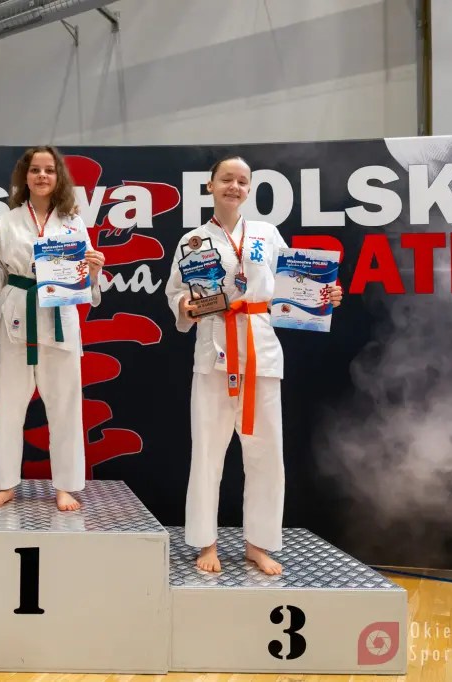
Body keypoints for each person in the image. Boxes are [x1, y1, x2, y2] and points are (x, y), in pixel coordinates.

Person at [165, 155, 343, 575]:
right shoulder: (193, 240)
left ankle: (258, 544)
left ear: (249, 189)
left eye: (242, 181)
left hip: (260, 350)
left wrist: (324, 295)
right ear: (210, 186)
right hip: (214, 351)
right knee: (207, 453)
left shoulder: (266, 233)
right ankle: (206, 542)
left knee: (266, 454)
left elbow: (292, 286)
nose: (235, 186)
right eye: (226, 179)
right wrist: (184, 306)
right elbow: (175, 292)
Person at [0, 145, 105, 512]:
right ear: (24, 177)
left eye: (49, 170)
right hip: (17, 313)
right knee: (10, 405)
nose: (42, 176)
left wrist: (93, 269)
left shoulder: (73, 222)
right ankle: (5, 484)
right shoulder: (7, 221)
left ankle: (66, 486)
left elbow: (86, 280)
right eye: (35, 170)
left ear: (59, 177)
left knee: (65, 405)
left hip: (59, 316)